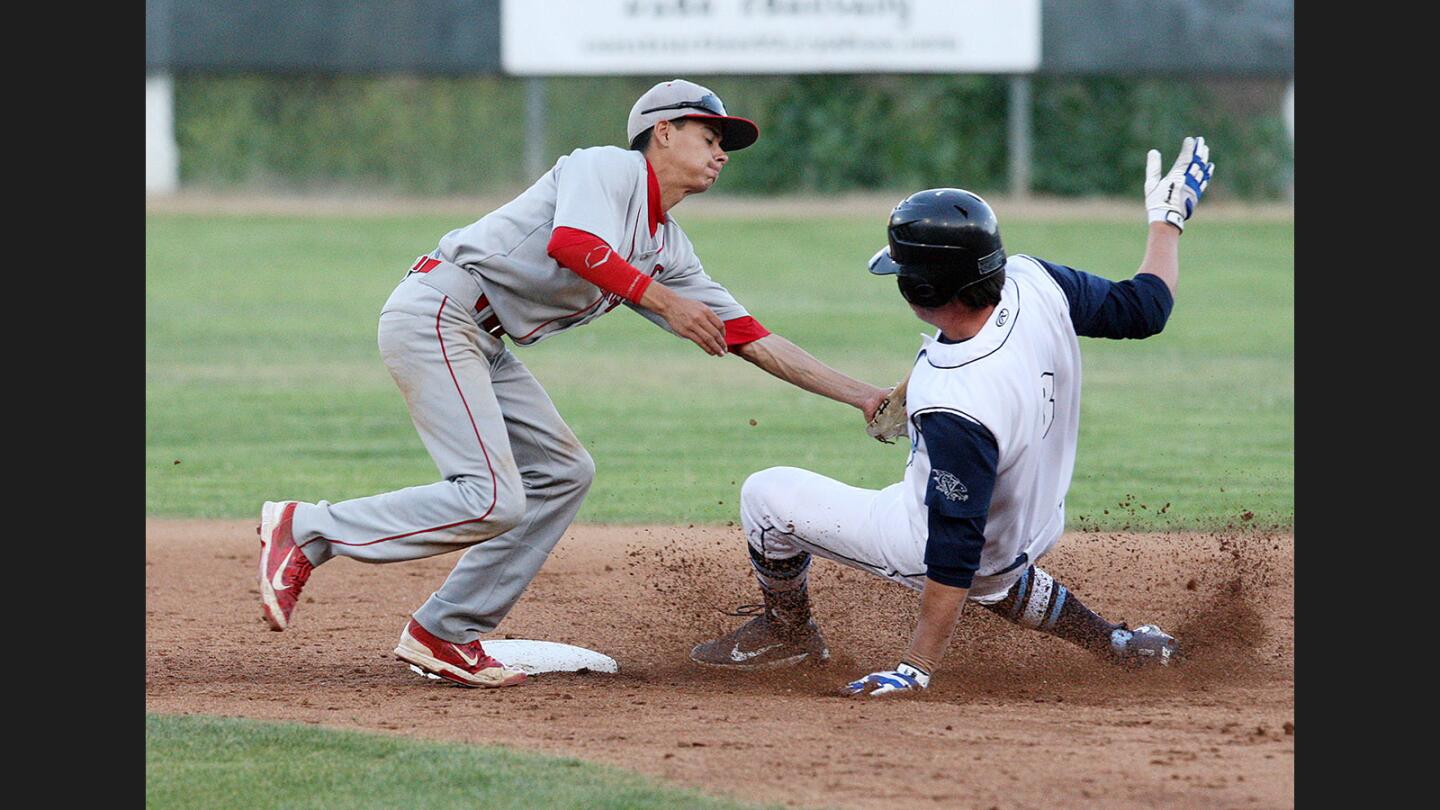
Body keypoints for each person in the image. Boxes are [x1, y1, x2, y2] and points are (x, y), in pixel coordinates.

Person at [256, 79, 889, 688]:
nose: (721, 151)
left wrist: (862, 395)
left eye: (726, 142)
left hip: (481, 336)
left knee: (564, 472)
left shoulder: (666, 245)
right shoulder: (607, 169)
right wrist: (665, 304)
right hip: (439, 313)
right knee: (490, 497)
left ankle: (444, 631)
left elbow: (753, 337)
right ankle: (307, 529)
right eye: (709, 134)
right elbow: (574, 244)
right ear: (662, 132)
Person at [690, 137, 1215, 696]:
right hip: (1036, 518)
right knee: (995, 557)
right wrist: (1167, 219)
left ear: (918, 289)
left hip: (954, 547)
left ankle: (787, 634)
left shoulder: (954, 402)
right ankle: (1114, 643)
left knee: (766, 496)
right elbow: (1145, 309)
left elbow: (954, 548)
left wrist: (915, 667)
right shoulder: (1033, 282)